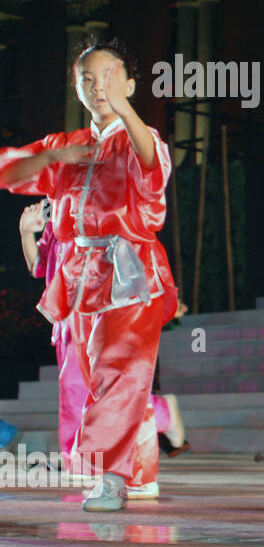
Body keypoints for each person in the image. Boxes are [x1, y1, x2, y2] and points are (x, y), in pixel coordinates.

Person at [0, 38, 179, 511]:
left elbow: (151, 167)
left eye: (109, 76)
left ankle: (111, 477)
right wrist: (50, 161)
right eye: (87, 78)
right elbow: (10, 170)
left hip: (130, 272)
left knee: (122, 369)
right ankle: (138, 473)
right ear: (76, 88)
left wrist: (126, 112)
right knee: (97, 377)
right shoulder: (68, 144)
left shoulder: (142, 137)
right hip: (78, 277)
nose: (98, 87)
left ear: (130, 83)